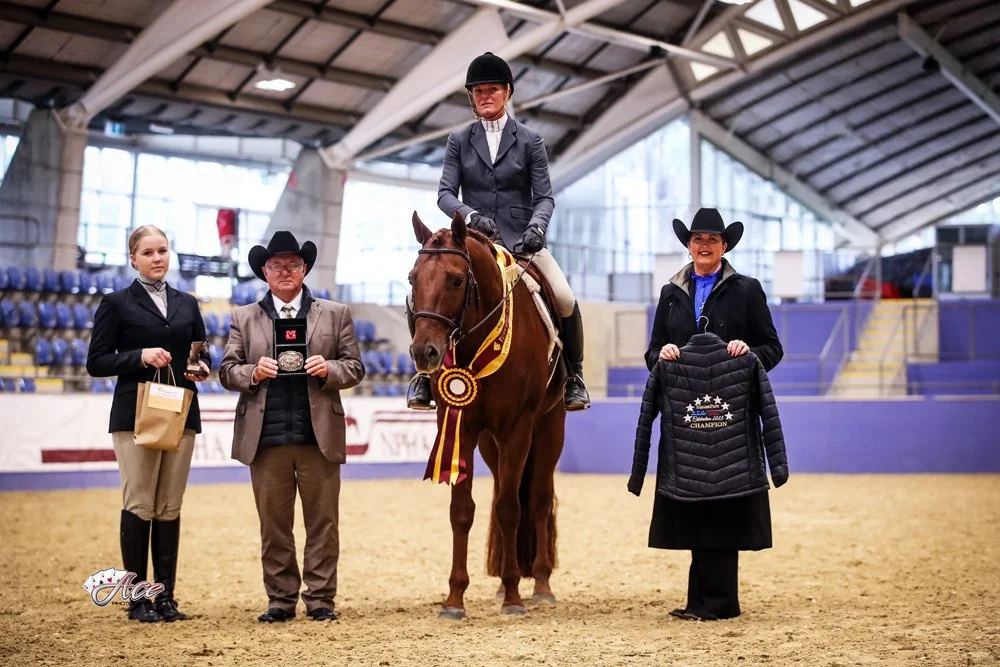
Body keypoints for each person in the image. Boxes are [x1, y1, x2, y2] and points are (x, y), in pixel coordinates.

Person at [405, 51, 590, 412]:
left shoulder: (530, 140)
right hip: (474, 243)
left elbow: (545, 197)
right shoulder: (459, 140)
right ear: (471, 97)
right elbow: (445, 194)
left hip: (523, 242)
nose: (485, 95)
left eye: (492, 89)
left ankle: (574, 376)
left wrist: (537, 226)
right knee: (418, 297)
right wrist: (470, 216)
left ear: (507, 92)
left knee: (565, 297)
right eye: (478, 91)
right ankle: (425, 377)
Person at [636, 207, 784, 621]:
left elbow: (772, 348)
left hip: (730, 420)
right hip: (685, 421)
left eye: (712, 239)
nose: (704, 244)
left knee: (722, 503)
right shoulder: (670, 293)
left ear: (724, 246)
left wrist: (747, 353)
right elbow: (653, 351)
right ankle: (700, 599)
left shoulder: (748, 290)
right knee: (694, 504)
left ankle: (720, 601)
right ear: (689, 245)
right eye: (697, 238)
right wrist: (660, 355)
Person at [219, 231, 364, 623]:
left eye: (293, 265)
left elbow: (355, 367)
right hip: (265, 439)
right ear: (265, 272)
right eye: (277, 265)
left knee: (323, 525)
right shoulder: (243, 317)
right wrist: (253, 372)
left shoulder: (335, 313)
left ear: (304, 269)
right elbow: (227, 371)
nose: (285, 271)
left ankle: (320, 600)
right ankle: (280, 600)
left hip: (318, 437)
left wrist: (329, 368)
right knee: (274, 527)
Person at [86, 224, 211, 623]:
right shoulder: (116, 302)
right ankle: (138, 599)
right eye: (149, 252)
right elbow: (97, 362)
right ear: (133, 259)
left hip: (180, 410)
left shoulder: (188, 303)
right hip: (135, 413)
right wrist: (139, 356)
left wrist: (201, 368)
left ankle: (166, 598)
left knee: (169, 506)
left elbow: (198, 352)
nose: (158, 258)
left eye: (163, 250)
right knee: (140, 503)